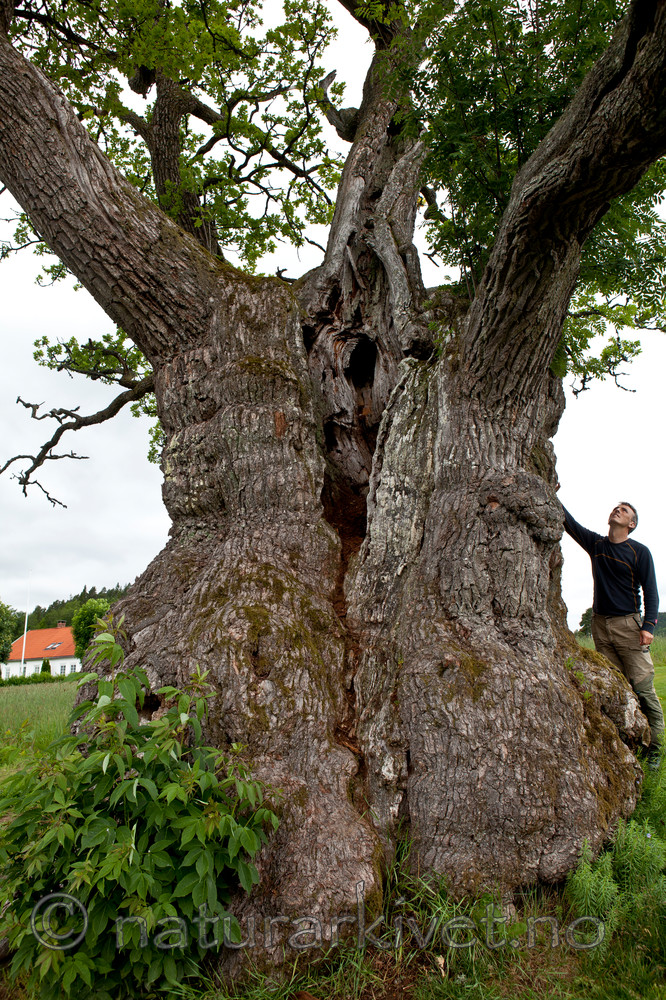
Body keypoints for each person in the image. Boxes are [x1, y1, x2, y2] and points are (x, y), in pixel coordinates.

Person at [561, 499, 664, 769]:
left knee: (643, 687)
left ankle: (655, 749)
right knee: (615, 688)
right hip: (600, 625)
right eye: (616, 508)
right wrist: (551, 493)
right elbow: (571, 525)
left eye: (624, 510)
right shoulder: (597, 545)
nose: (617, 510)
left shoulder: (639, 552)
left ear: (631, 524)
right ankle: (626, 742)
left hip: (629, 626)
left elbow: (651, 592)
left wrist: (649, 627)